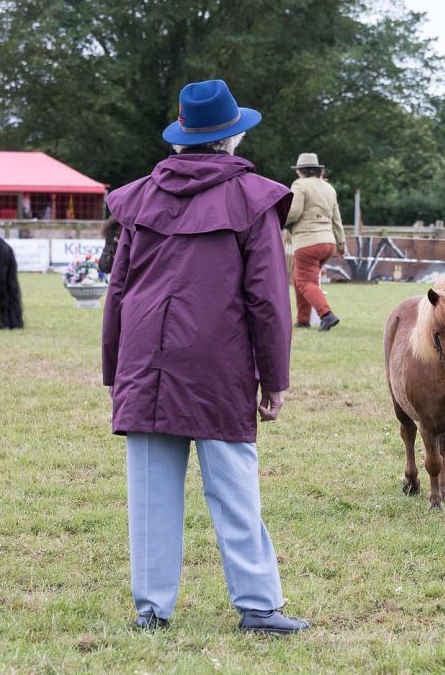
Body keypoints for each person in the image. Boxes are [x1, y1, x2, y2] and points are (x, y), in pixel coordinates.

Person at [102, 78, 309, 635]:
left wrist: (114, 369)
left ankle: (151, 611)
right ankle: (258, 607)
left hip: (145, 363)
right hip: (220, 366)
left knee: (150, 492)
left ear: (184, 137)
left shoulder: (142, 196)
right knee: (235, 489)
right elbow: (267, 298)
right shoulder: (252, 198)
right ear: (231, 139)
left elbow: (118, 290)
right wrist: (276, 377)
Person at [285, 153, 346, 332]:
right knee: (301, 279)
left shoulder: (299, 185)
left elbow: (294, 212)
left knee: (304, 281)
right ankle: (303, 320)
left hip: (307, 241)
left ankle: (326, 315)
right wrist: (341, 245)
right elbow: (337, 220)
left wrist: (276, 220)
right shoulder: (329, 188)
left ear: (299, 171)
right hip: (328, 242)